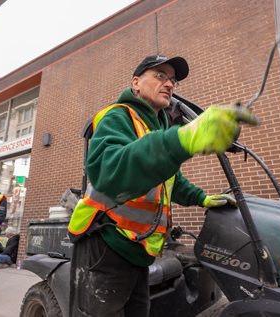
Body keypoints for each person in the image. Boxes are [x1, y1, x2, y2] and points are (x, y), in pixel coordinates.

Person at [67, 55, 258, 316]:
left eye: (173, 80)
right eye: (160, 76)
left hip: (139, 249)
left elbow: (170, 181)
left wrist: (201, 198)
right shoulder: (117, 116)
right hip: (107, 242)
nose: (169, 84)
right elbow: (107, 172)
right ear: (136, 83)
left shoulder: (154, 126)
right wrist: (181, 139)